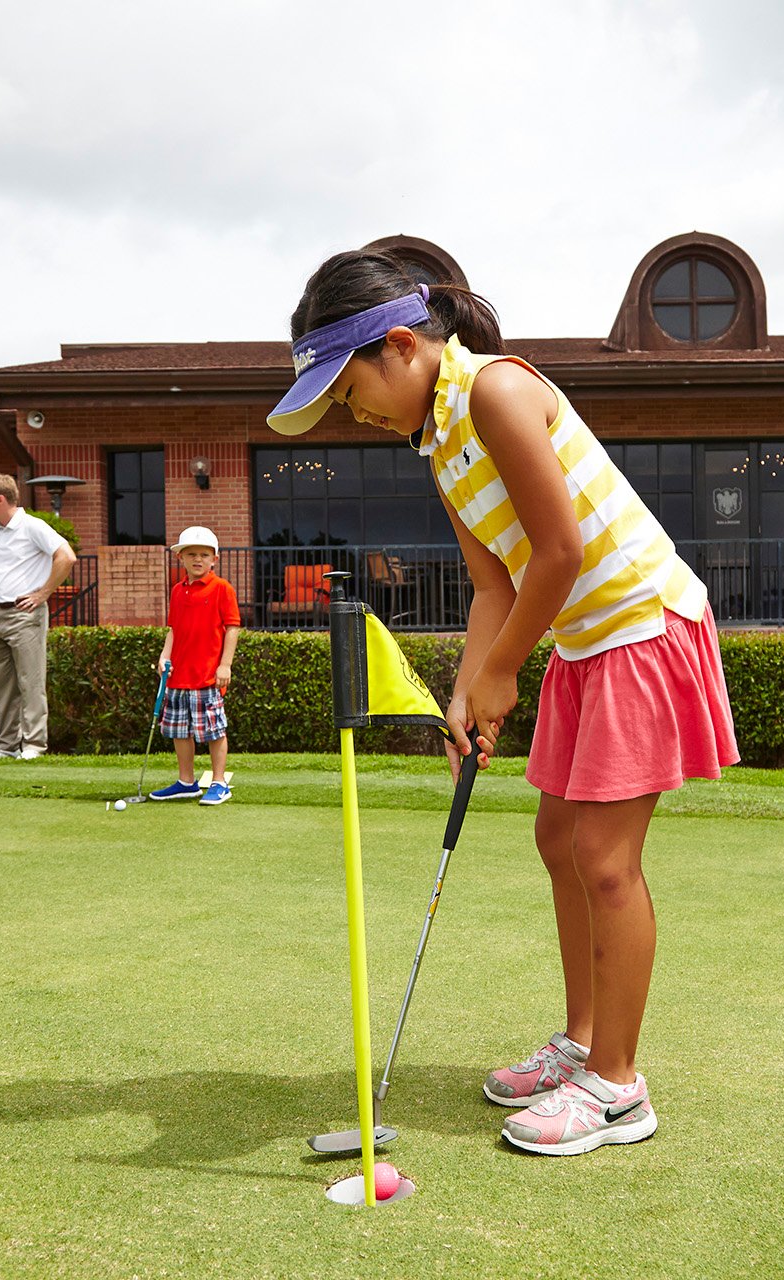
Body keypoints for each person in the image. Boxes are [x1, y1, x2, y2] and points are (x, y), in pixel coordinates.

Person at [270, 251, 739, 1157]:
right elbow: (493, 583)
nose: (352, 411)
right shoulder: (438, 440)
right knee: (556, 839)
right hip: (579, 640)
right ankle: (582, 1041)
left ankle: (619, 1087)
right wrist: (466, 689)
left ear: (400, 347)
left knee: (605, 858)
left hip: (640, 627)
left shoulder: (494, 391)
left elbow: (559, 551)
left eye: (350, 388)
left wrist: (503, 674)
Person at [0, 474, 75, 761]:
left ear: (0, 499)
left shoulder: (33, 526)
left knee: (30, 680)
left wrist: (43, 594)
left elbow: (66, 556)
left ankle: (33, 745)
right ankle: (4, 746)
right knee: (1, 683)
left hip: (25, 614)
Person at [147, 525, 241, 805]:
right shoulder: (178, 591)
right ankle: (187, 782)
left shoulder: (222, 588)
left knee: (213, 730)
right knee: (179, 730)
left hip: (207, 675)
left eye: (203, 554)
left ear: (215, 559)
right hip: (179, 675)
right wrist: (164, 657)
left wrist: (225, 665)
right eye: (191, 554)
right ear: (181, 558)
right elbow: (174, 629)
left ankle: (219, 782)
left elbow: (232, 627)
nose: (197, 559)